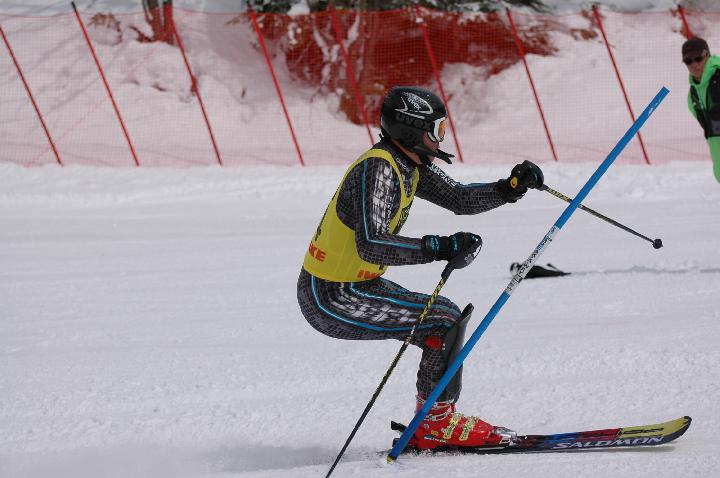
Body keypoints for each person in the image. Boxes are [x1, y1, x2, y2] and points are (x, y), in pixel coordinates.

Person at [296, 86, 544, 450]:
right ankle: (435, 424)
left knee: (444, 320)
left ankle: (433, 421)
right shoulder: (381, 169)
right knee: (443, 323)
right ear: (411, 129)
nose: (440, 138)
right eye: (436, 130)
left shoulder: (407, 163)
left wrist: (508, 188)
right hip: (331, 296)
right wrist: (438, 247)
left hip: (358, 286)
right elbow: (372, 243)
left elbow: (459, 198)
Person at [683, 36, 720, 183]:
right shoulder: (693, 96)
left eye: (698, 58)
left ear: (707, 55)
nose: (694, 64)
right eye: (688, 61)